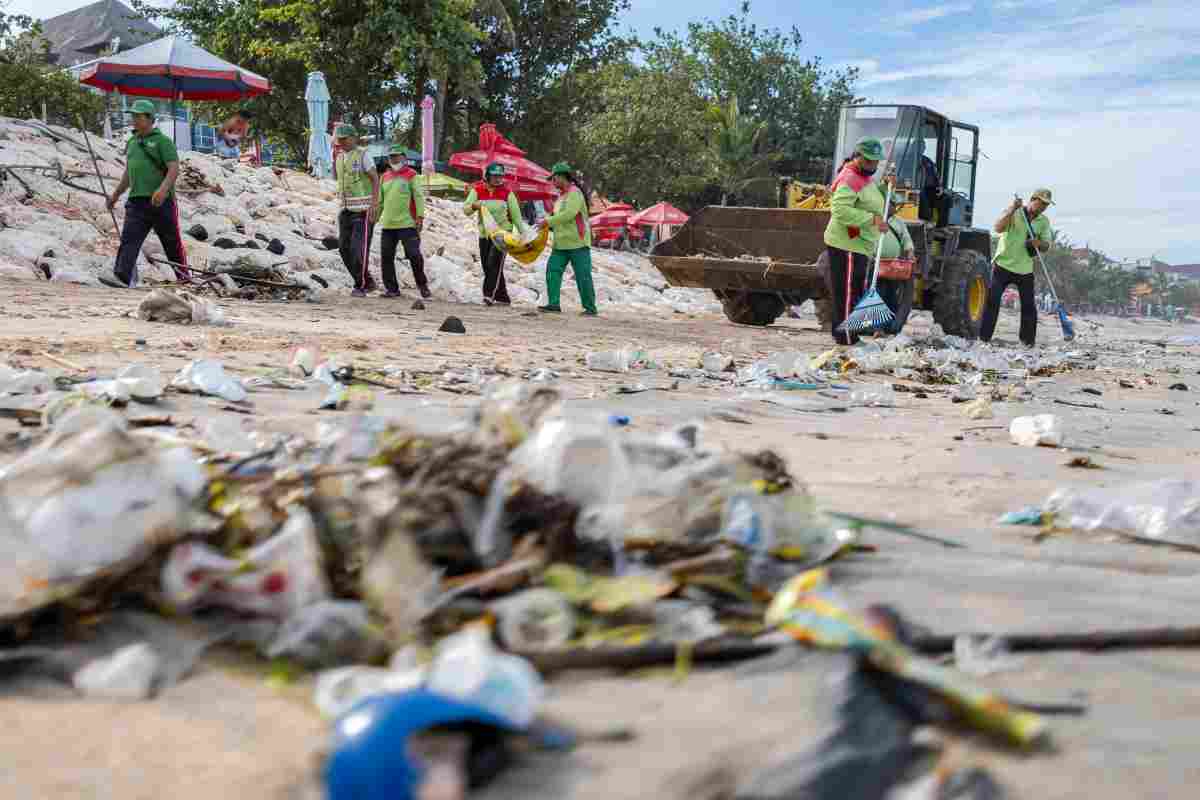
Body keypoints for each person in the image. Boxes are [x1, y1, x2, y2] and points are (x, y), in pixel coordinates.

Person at [823, 136, 909, 344]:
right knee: (847, 291)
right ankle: (845, 337)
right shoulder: (849, 178)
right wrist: (872, 220)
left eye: (876, 161)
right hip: (846, 244)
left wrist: (884, 187)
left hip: (859, 245)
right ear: (858, 156)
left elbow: (868, 198)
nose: (873, 165)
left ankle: (851, 333)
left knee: (855, 289)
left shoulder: (865, 178)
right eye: (869, 160)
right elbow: (840, 211)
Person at [106, 99, 189, 287]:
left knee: (171, 242)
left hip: (162, 202)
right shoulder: (133, 142)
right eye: (133, 116)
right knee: (129, 239)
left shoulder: (163, 142)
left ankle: (184, 278)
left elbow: (173, 168)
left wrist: (162, 190)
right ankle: (121, 277)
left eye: (138, 116)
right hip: (137, 201)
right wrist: (115, 195)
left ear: (150, 118)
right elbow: (129, 173)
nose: (134, 119)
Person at [980, 189, 1054, 346]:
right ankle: (983, 337)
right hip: (1003, 265)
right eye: (1041, 203)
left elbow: (1047, 245)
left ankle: (1027, 343)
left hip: (1025, 269)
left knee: (1029, 307)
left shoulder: (1044, 222)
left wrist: (1038, 243)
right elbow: (998, 228)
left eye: (1046, 205)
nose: (1043, 208)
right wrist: (1013, 208)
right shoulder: (1014, 212)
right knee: (992, 301)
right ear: (1033, 199)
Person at [538, 162, 598, 316]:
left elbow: (569, 214)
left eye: (554, 178)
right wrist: (547, 224)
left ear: (561, 177)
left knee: (583, 275)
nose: (553, 182)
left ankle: (590, 308)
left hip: (578, 242)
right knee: (552, 271)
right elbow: (557, 217)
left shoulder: (575, 193)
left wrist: (548, 221)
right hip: (560, 244)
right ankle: (553, 304)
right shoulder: (561, 197)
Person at [463, 162, 525, 305]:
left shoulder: (507, 193)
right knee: (487, 266)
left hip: (502, 234)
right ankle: (503, 297)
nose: (498, 179)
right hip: (485, 235)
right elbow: (465, 210)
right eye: (495, 176)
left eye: (500, 176)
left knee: (494, 264)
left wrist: (522, 233)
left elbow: (516, 215)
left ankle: (488, 295)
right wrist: (474, 205)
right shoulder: (477, 191)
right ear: (487, 176)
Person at [377, 144, 430, 300]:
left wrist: (420, 217)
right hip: (388, 225)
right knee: (386, 257)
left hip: (408, 224)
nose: (394, 159)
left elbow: (418, 197)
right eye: (391, 157)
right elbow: (380, 201)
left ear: (404, 157)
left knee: (414, 255)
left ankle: (422, 285)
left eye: (397, 156)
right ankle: (392, 289)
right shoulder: (384, 177)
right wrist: (375, 217)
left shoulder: (412, 175)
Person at [333, 124, 380, 296]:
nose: (342, 142)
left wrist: (375, 204)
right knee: (344, 249)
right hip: (345, 209)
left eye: (345, 139)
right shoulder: (339, 158)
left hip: (363, 210)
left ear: (354, 138)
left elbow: (375, 178)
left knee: (358, 249)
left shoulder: (363, 155)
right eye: (340, 139)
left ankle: (360, 285)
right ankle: (367, 281)